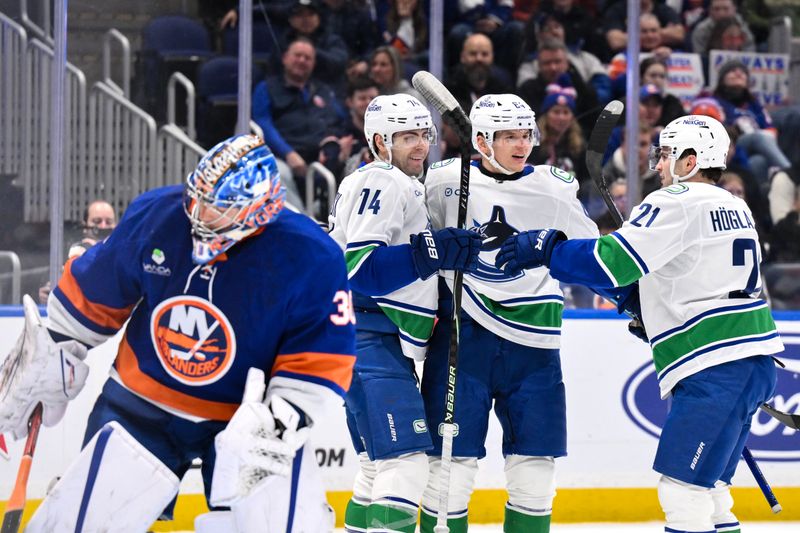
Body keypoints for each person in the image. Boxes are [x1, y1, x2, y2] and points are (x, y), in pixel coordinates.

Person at [0, 134, 357, 532]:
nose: (201, 215)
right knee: (82, 523)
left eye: (218, 209)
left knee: (277, 522)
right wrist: (56, 348)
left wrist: (282, 417)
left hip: (243, 420)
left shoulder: (310, 254)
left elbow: (323, 353)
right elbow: (97, 288)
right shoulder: (159, 214)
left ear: (262, 210)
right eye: (199, 199)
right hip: (140, 404)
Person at [495, 115, 784, 533]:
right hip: (750, 360)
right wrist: (647, 304)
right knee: (713, 492)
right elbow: (685, 277)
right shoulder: (734, 204)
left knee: (683, 494)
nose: (660, 165)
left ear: (690, 160)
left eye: (666, 155)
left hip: (715, 366)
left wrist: (548, 248)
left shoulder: (677, 201)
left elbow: (610, 263)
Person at [421, 94, 630, 533]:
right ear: (481, 140)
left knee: (535, 472)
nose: (521, 144)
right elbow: (418, 248)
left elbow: (591, 258)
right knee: (449, 473)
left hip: (535, 343)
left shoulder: (555, 187)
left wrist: (630, 299)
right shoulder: (442, 181)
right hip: (464, 336)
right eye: (508, 136)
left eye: (526, 134)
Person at [328, 94, 481, 533]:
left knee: (375, 467)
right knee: (406, 463)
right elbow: (361, 268)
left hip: (360, 336)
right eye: (407, 136)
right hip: (369, 337)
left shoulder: (383, 180)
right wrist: (431, 252)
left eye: (424, 134)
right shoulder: (383, 180)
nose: (420, 145)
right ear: (380, 142)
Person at [37, 199, 118, 304]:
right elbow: (49, 289)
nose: (103, 226)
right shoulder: (67, 254)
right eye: (97, 221)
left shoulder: (125, 255)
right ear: (85, 226)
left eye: (108, 222)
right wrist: (46, 296)